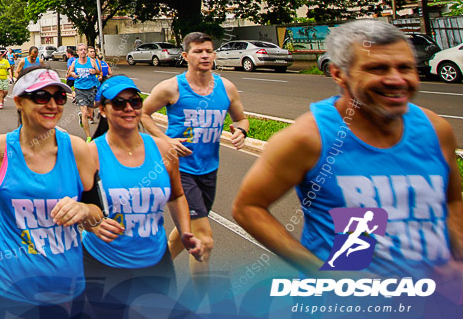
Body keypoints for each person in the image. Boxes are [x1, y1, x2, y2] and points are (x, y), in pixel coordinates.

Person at [232, 19, 463, 282]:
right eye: (377, 68)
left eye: (405, 67)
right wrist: (319, 271)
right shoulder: (308, 138)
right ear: (338, 73)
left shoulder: (435, 129)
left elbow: (452, 200)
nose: (396, 80)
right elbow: (249, 207)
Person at [0, 65, 98, 318]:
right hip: (9, 285)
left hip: (65, 286)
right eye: (41, 96)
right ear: (18, 101)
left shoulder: (78, 150)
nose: (52, 105)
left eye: (59, 97)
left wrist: (84, 210)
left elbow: (97, 217)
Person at [83, 75, 203, 316]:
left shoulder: (164, 149)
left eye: (135, 102)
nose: (128, 108)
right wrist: (91, 224)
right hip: (103, 264)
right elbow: (75, 205)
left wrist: (186, 231)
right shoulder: (90, 153)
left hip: (156, 263)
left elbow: (177, 196)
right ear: (103, 110)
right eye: (118, 103)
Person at [139, 31, 248, 288]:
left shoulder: (226, 88)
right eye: (199, 51)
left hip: (209, 169)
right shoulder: (171, 87)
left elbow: (241, 118)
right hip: (179, 170)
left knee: (183, 233)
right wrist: (164, 140)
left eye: (209, 51)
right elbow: (143, 113)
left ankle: (151, 272)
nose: (205, 55)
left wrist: (241, 131)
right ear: (186, 56)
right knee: (204, 241)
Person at [67, 44, 103, 142]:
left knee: (90, 114)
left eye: (84, 50)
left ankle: (82, 117)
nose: (83, 51)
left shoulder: (92, 61)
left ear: (86, 52)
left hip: (91, 88)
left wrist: (94, 71)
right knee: (85, 112)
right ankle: (88, 137)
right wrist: (73, 74)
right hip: (79, 89)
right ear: (77, 52)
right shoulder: (75, 62)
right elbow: (70, 72)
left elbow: (99, 71)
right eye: (81, 50)